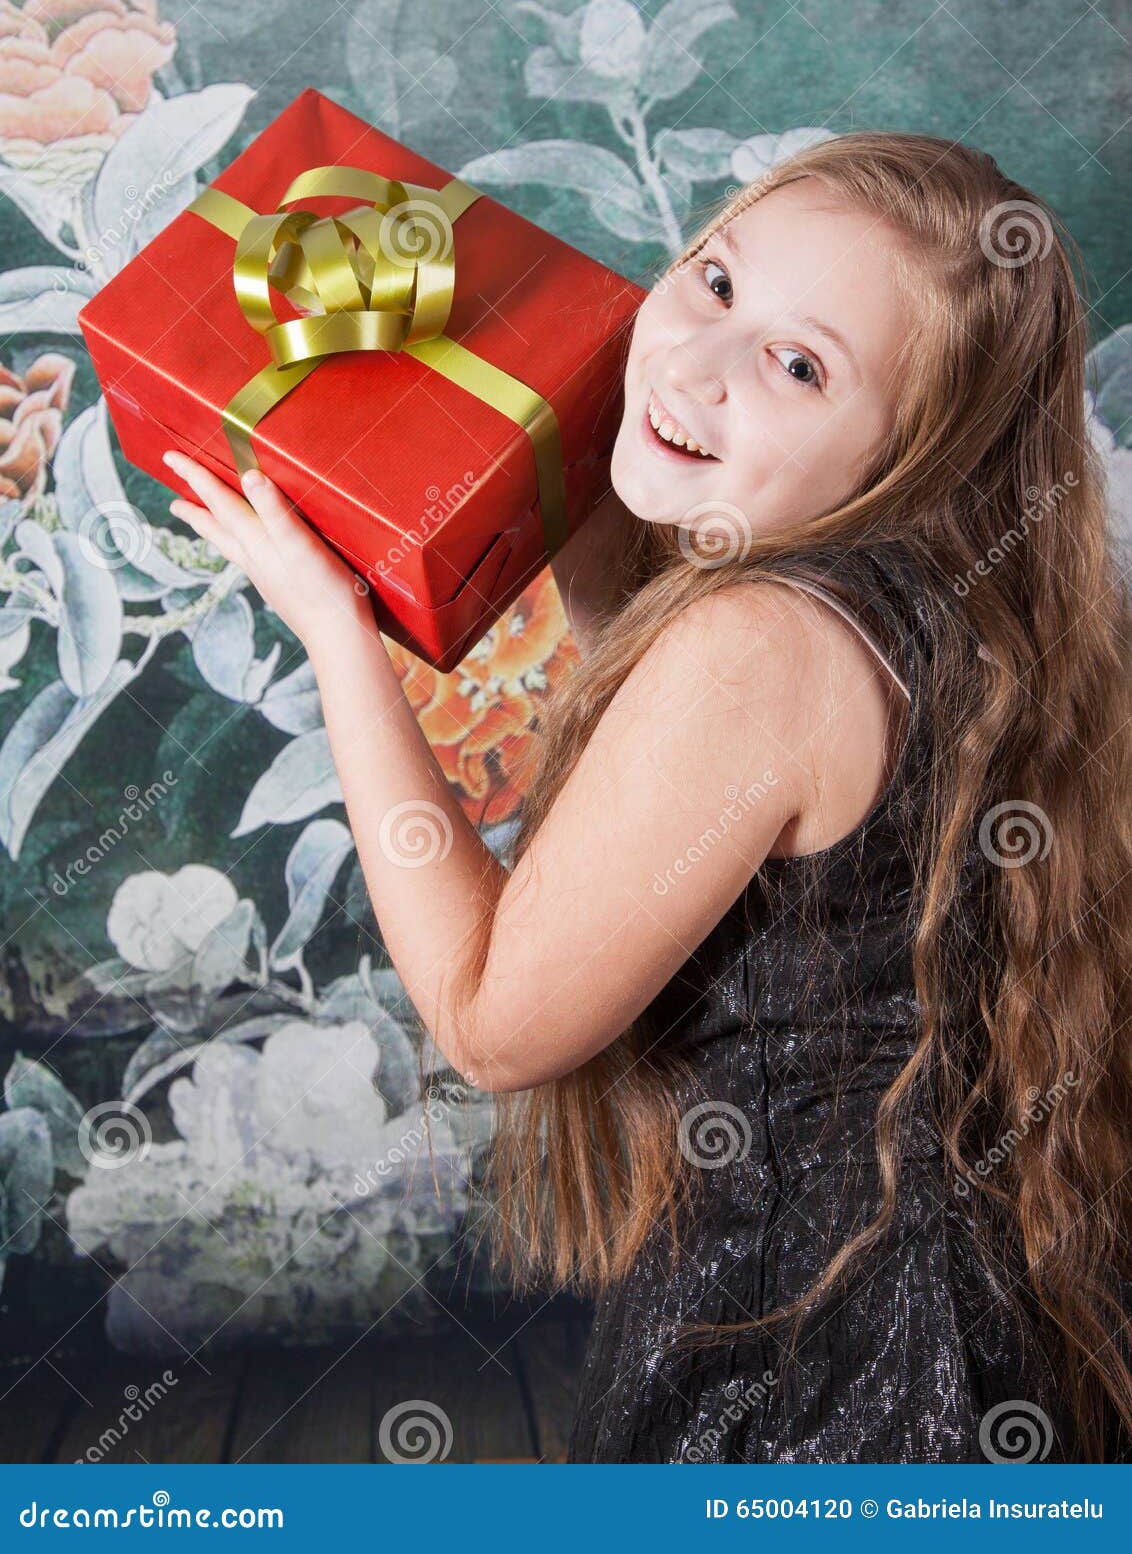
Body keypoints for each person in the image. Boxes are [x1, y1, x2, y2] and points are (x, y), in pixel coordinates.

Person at [161, 131, 1132, 1463]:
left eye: (801, 367)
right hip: (954, 1334)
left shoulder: (763, 645)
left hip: (828, 1390)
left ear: (910, 452)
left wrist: (339, 637)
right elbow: (692, 797)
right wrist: (586, 519)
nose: (695, 361)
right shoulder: (944, 603)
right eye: (716, 279)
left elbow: (495, 1023)